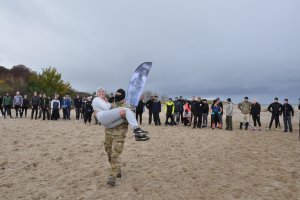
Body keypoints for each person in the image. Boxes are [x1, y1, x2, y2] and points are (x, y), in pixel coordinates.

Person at [104, 97, 129, 187]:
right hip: (108, 132)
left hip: (119, 133)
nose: (118, 96)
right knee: (108, 151)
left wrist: (124, 116)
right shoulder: (111, 105)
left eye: (120, 95)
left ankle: (112, 176)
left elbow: (131, 119)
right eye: (117, 94)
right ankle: (117, 169)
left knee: (115, 154)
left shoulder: (127, 107)